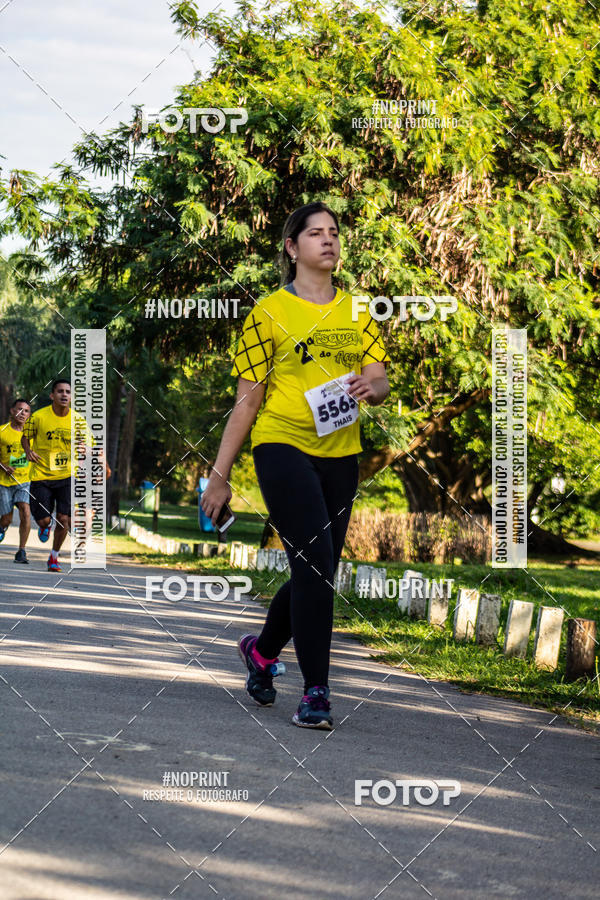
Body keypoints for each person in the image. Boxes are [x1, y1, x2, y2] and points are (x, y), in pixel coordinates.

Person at [201, 201, 391, 729]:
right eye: (315, 234)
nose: (328, 241)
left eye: (334, 232)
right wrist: (219, 477)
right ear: (292, 247)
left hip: (341, 452)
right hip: (281, 445)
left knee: (318, 569)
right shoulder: (269, 312)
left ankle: (261, 654)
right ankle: (316, 693)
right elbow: (247, 401)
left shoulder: (358, 310)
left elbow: (379, 380)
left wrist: (369, 388)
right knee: (315, 568)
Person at [0, 398, 33, 563]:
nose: (23, 413)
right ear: (12, 411)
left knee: (25, 512)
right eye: (20, 409)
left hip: (24, 481)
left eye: (26, 411)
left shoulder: (32, 434)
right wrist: (3, 466)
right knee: (6, 519)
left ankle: (21, 551)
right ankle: (1, 527)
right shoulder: (2, 431)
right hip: (4, 482)